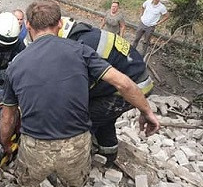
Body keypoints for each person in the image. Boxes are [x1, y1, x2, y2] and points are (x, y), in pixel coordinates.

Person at [0, 1, 160, 187]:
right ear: (60, 24)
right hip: (76, 147)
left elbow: (7, 119)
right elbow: (125, 84)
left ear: (27, 26)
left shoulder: (17, 64)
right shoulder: (80, 51)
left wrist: (7, 144)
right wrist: (146, 111)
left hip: (35, 147)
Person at [60, 17, 153, 165]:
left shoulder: (84, 45)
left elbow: (83, 86)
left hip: (131, 88)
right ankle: (108, 155)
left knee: (83, 119)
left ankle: (75, 161)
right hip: (137, 80)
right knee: (106, 118)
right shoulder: (91, 34)